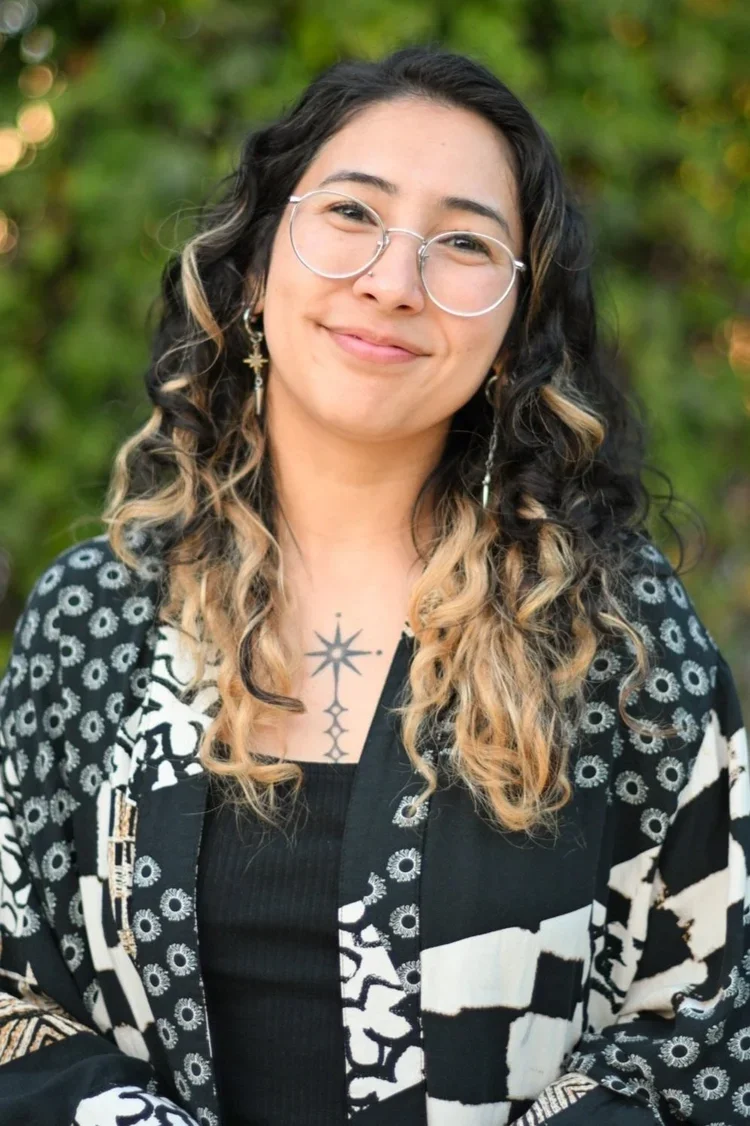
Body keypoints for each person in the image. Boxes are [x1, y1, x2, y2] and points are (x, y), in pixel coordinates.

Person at [0, 44, 747, 1126]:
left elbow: (711, 1034)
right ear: (257, 264)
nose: (394, 283)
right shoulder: (93, 621)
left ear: (511, 331)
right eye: (353, 214)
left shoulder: (615, 638)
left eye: (463, 242)